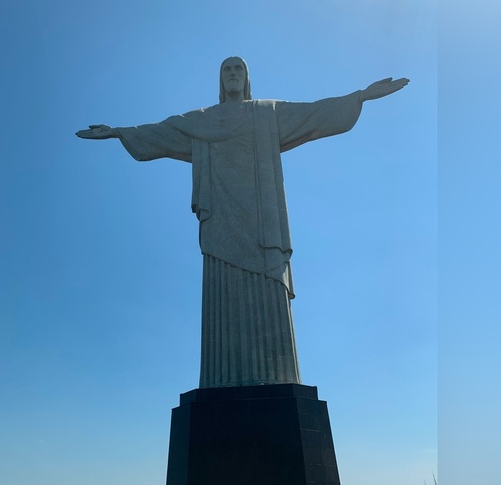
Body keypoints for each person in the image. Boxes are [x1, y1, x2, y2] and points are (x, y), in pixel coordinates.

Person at [76, 57, 409, 388]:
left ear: (247, 78)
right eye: (227, 69)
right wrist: (118, 132)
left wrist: (360, 96)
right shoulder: (202, 120)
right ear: (220, 79)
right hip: (220, 220)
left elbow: (313, 113)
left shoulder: (266, 112)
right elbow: (163, 131)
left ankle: (275, 376)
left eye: (239, 69)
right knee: (222, 294)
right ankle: (221, 377)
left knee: (269, 288)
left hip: (263, 223)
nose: (233, 73)